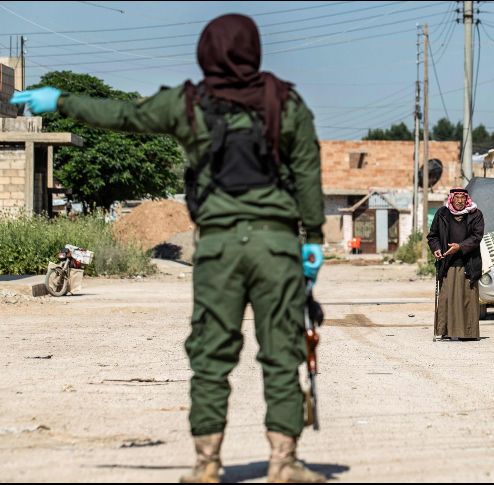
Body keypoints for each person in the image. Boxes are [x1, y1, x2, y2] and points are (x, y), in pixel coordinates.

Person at [12, 14, 326, 484]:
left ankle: (206, 464)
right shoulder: (286, 103)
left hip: (218, 248)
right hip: (276, 245)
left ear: (207, 50)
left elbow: (125, 117)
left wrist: (62, 101)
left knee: (211, 354)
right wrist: (315, 240)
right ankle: (284, 462)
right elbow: (307, 173)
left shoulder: (189, 104)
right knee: (281, 353)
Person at [427, 187, 484, 341]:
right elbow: (433, 236)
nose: (460, 200)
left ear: (467, 199)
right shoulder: (442, 213)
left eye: (462, 197)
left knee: (467, 299)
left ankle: (468, 333)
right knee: (447, 298)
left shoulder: (476, 214)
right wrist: (436, 248)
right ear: (451, 198)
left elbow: (477, 236)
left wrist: (460, 246)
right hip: (447, 264)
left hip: (468, 263)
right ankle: (446, 331)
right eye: (457, 197)